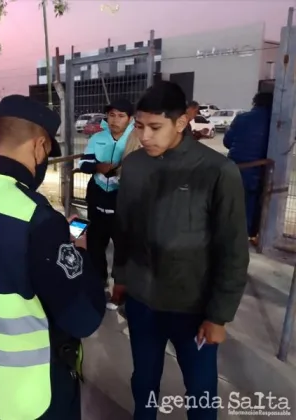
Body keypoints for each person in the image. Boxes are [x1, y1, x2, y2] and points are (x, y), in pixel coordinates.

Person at [0, 95, 106, 420]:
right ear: (40, 146)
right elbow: (83, 318)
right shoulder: (35, 218)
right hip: (32, 395)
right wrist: (79, 256)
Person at [112, 81, 249, 420]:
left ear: (181, 123)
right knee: (143, 381)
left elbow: (232, 249)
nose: (145, 137)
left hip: (193, 308)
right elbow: (124, 229)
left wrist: (219, 315)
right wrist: (121, 278)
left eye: (155, 128)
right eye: (140, 126)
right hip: (143, 302)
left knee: (201, 391)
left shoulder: (217, 171)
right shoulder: (134, 167)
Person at [78, 98, 136, 310]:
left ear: (130, 119)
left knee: (123, 246)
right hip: (97, 196)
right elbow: (83, 163)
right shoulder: (97, 138)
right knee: (94, 243)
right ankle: (99, 284)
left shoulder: (135, 139)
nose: (115, 120)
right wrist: (96, 166)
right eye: (111, 115)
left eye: (121, 116)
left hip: (122, 200)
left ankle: (121, 290)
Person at [224, 92, 273, 240]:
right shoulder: (275, 121)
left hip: (234, 168)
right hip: (257, 172)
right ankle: (248, 235)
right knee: (252, 205)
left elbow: (227, 142)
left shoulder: (241, 117)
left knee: (231, 204)